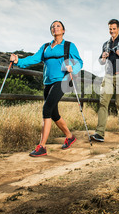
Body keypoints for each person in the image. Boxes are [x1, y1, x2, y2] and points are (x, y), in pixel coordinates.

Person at [10, 20, 83, 157]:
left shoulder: (69, 46)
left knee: (46, 109)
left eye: (58, 26)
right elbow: (34, 59)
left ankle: (42, 146)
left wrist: (73, 68)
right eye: (52, 27)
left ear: (63, 30)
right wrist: (18, 61)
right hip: (48, 82)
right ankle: (70, 137)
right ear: (51, 31)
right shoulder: (45, 47)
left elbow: (79, 61)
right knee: (54, 114)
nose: (55, 28)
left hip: (62, 81)